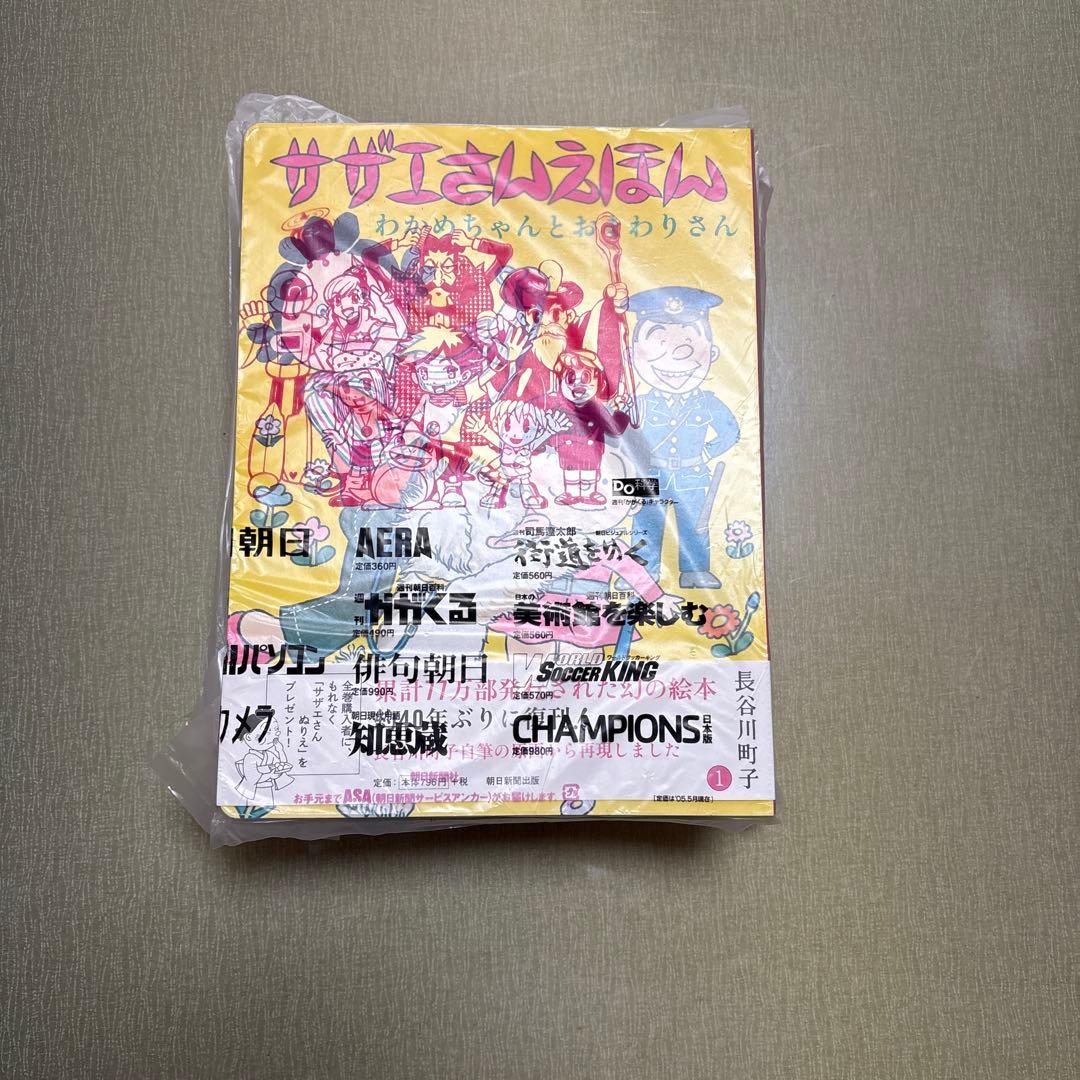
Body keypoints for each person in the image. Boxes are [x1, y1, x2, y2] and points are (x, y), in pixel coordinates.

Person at [628, 286, 739, 589]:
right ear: (634, 354)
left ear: (711, 353)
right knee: (645, 524)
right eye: (659, 343)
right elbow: (619, 435)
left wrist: (707, 453)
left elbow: (731, 431)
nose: (675, 357)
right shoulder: (639, 403)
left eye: (688, 344)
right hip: (649, 473)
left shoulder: (707, 402)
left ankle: (695, 571)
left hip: (692, 473)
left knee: (694, 525)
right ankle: (641, 574)